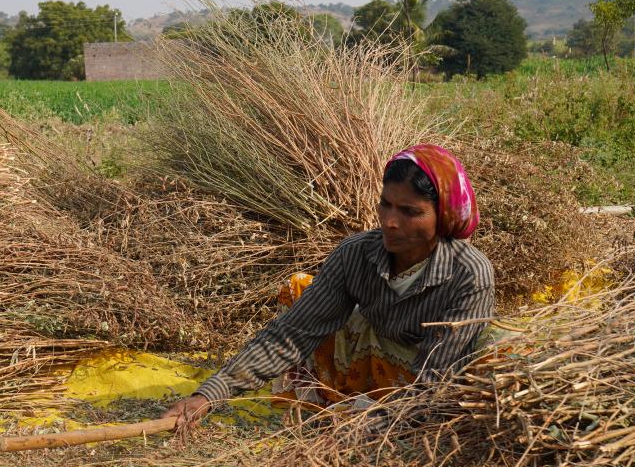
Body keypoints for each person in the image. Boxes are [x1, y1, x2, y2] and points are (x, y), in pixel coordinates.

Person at [164, 144, 495, 429]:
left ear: (444, 215)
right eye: (386, 204)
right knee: (300, 290)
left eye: (410, 211)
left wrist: (367, 427)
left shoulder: (468, 275)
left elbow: (433, 385)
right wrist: (209, 394)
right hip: (368, 365)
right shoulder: (357, 254)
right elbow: (291, 335)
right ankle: (325, 410)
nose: (389, 221)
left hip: (419, 388)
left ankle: (355, 416)